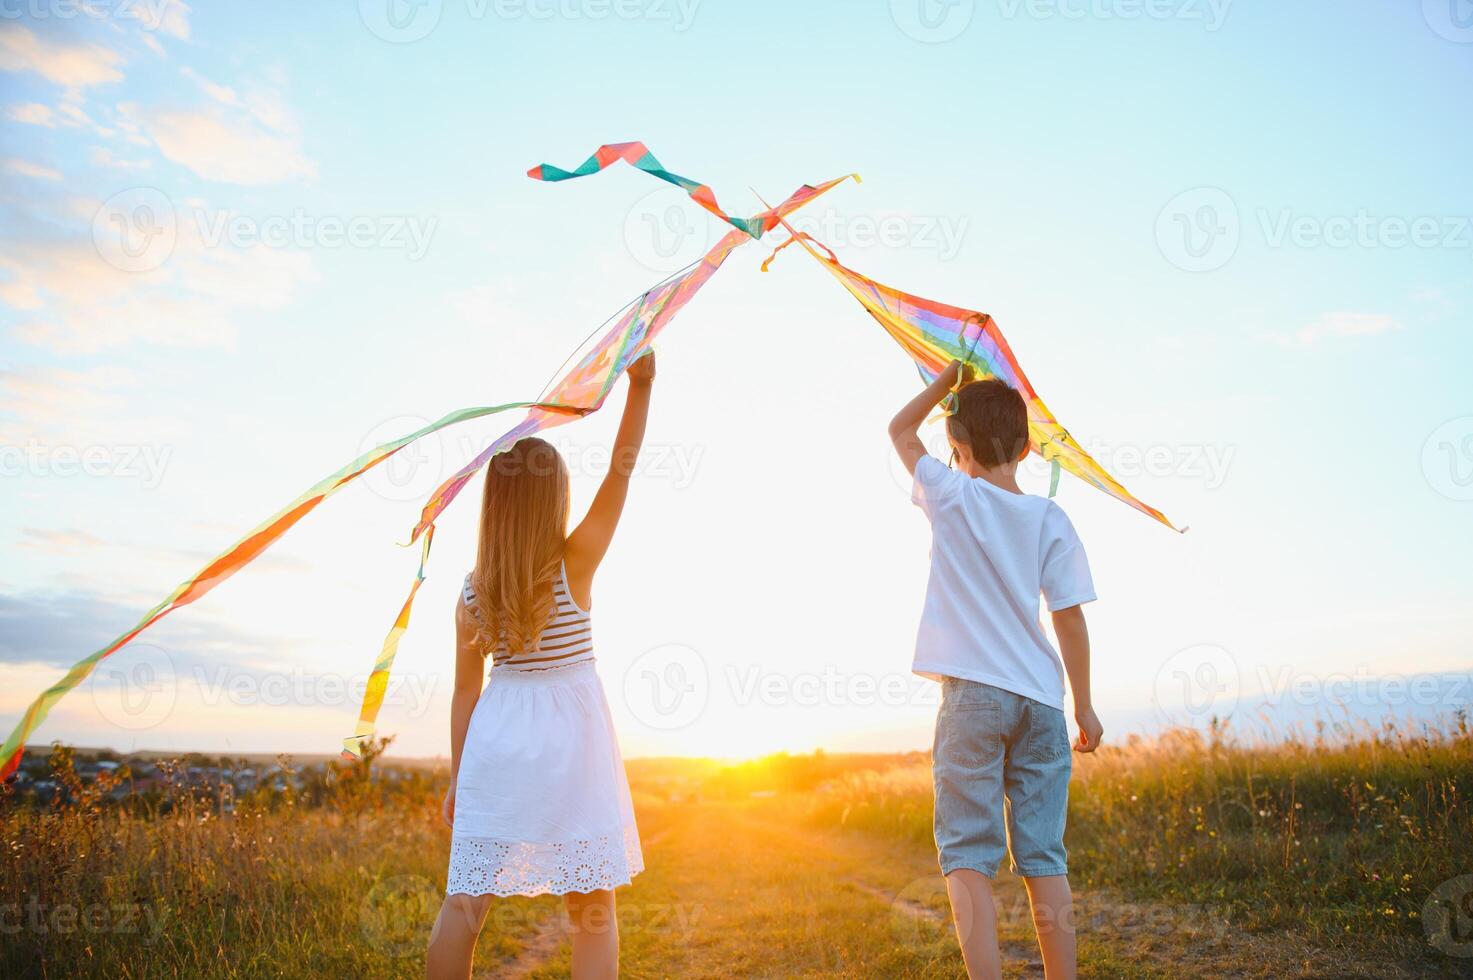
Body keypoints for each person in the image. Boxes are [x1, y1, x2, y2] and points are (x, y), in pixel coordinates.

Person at [426, 352, 657, 980]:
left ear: (494, 506)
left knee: (467, 902)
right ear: (555, 497)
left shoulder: (471, 595)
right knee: (592, 910)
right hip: (571, 742)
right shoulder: (575, 563)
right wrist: (642, 385)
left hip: (498, 739)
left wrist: (458, 777)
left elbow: (463, 696)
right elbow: (622, 470)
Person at [888, 360, 1102, 980]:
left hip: (974, 700)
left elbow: (900, 430)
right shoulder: (1051, 518)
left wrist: (944, 383)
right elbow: (1069, 619)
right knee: (1044, 857)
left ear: (956, 448)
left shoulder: (952, 493)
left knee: (967, 854)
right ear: (1029, 446)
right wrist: (1083, 706)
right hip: (1041, 701)